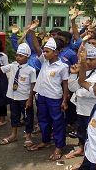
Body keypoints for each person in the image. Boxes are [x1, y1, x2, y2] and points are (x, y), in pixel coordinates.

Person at [27, 20, 69, 161]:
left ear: (56, 52)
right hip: (42, 96)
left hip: (55, 98)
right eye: (44, 51)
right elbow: (35, 45)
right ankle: (45, 141)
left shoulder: (62, 66)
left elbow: (65, 84)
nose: (44, 53)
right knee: (43, 120)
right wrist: (32, 30)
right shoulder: (44, 61)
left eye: (47, 51)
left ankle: (59, 147)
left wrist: (64, 100)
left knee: (57, 123)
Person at [0, 43, 36, 146]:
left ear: (27, 57)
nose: (18, 58)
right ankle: (13, 134)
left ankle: (28, 136)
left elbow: (33, 85)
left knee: (27, 117)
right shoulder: (12, 66)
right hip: (13, 96)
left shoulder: (31, 70)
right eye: (17, 55)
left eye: (21, 56)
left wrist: (30, 100)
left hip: (24, 98)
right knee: (14, 115)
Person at [67, 42, 96, 160]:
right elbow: (73, 87)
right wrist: (73, 74)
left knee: (92, 132)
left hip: (92, 109)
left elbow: (92, 92)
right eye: (87, 59)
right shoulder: (86, 71)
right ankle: (81, 148)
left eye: (91, 59)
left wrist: (78, 93)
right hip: (81, 108)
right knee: (81, 130)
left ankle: (90, 155)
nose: (88, 62)